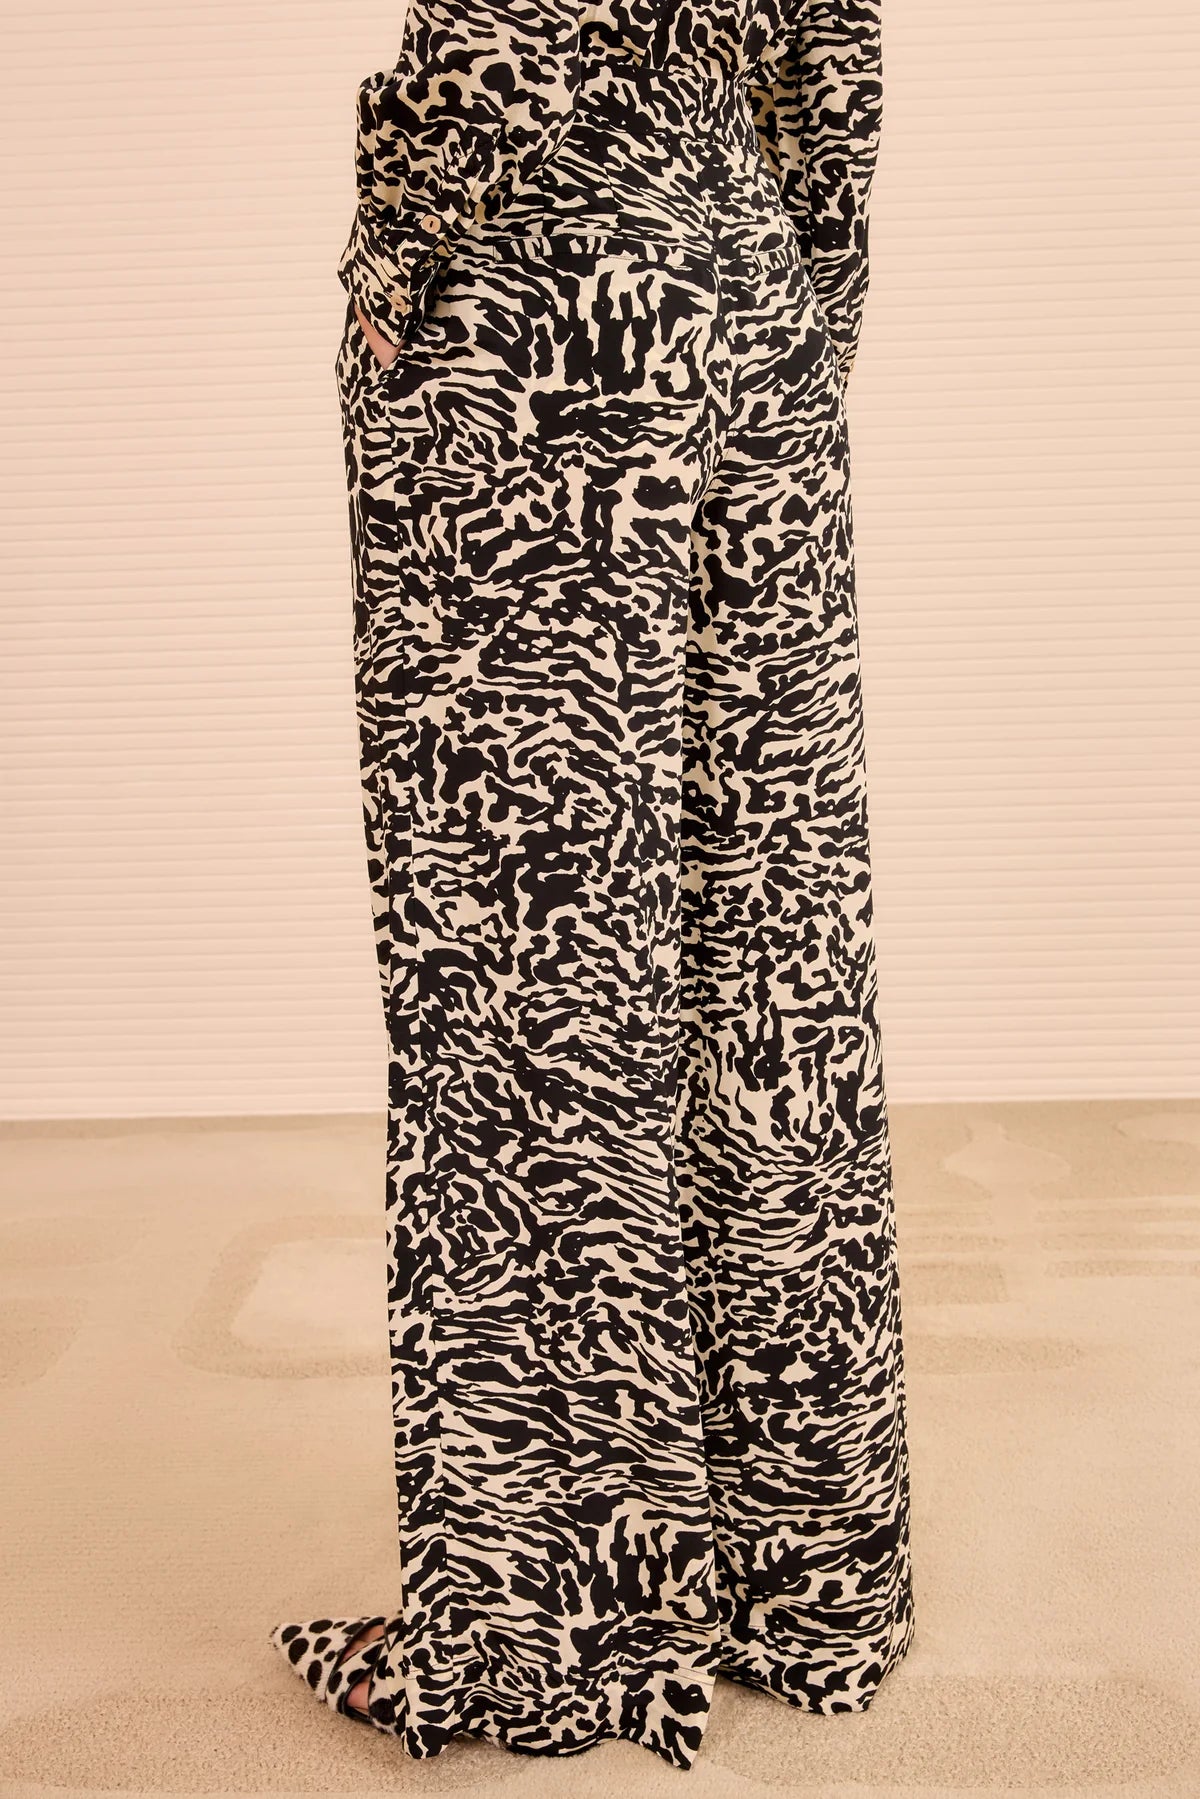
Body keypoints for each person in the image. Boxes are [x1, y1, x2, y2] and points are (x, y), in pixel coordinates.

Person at [270, 0, 914, 1770]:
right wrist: (780, 299)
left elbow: (508, 34)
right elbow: (836, 59)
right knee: (771, 951)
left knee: (528, 954)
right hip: (749, 261)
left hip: (537, 272)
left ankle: (554, 1631)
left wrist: (413, 225)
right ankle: (807, 1580)